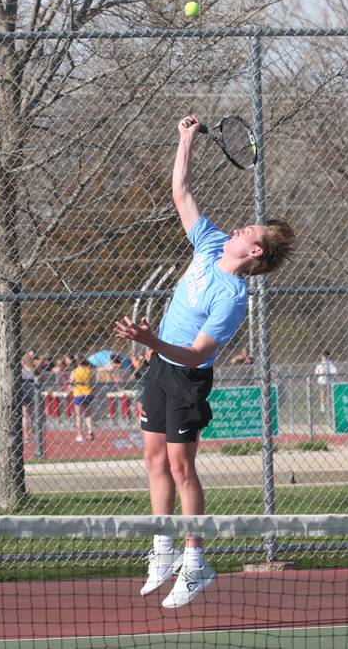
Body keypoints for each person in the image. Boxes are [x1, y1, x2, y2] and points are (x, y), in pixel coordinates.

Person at [114, 114, 295, 609]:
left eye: (248, 229)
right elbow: (181, 192)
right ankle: (162, 550)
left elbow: (196, 353)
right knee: (152, 460)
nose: (238, 226)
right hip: (158, 367)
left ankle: (195, 563)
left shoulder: (233, 297)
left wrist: (151, 337)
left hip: (187, 376)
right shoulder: (211, 241)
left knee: (180, 467)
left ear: (254, 250)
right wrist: (185, 139)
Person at [70, 357, 94, 442]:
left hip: (78, 394)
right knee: (88, 414)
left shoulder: (75, 371)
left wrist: (71, 388)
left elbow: (71, 382)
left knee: (78, 415)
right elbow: (92, 381)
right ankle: (90, 431)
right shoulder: (89, 370)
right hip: (88, 393)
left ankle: (80, 435)